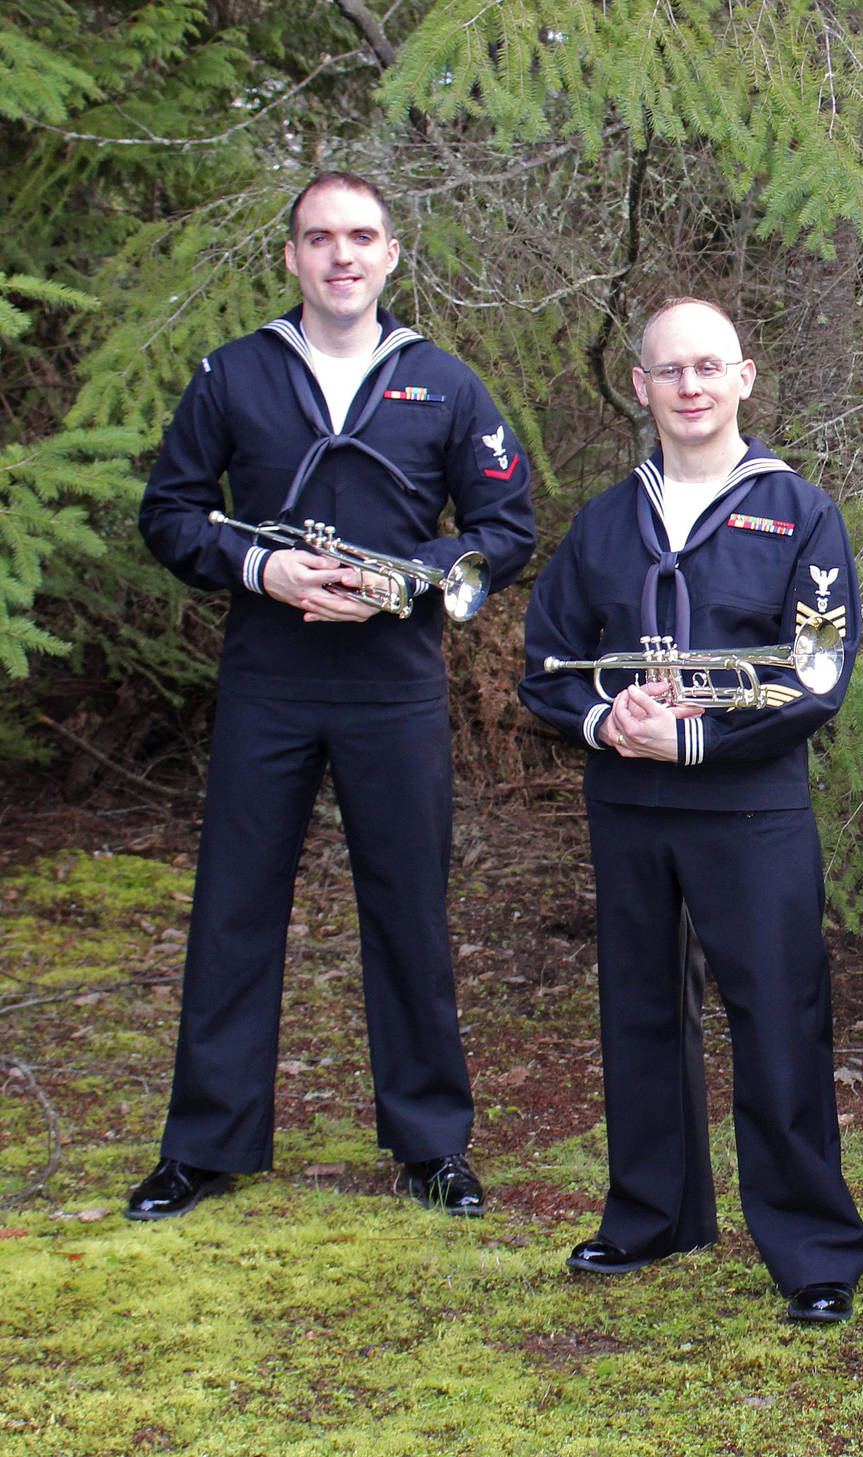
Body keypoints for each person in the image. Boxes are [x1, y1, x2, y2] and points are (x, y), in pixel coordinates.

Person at [130, 171, 535, 1221]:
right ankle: (207, 1144)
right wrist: (261, 570)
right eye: (320, 239)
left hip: (393, 683)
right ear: (292, 259)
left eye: (361, 237)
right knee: (233, 906)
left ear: (391, 254)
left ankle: (430, 1143)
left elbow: (507, 530)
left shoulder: (444, 382)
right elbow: (169, 511)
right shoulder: (234, 374)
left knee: (408, 909)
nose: (341, 256)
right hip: (268, 676)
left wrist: (410, 578)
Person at [520, 297, 863, 1323]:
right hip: (628, 798)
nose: (690, 386)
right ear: (639, 385)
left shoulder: (800, 511)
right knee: (635, 1007)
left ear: (744, 376)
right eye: (669, 370)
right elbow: (547, 666)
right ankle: (651, 1213)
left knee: (777, 1019)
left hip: (750, 805)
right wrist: (604, 718)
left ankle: (812, 1248)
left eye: (709, 366)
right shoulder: (602, 518)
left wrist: (697, 735)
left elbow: (818, 674)